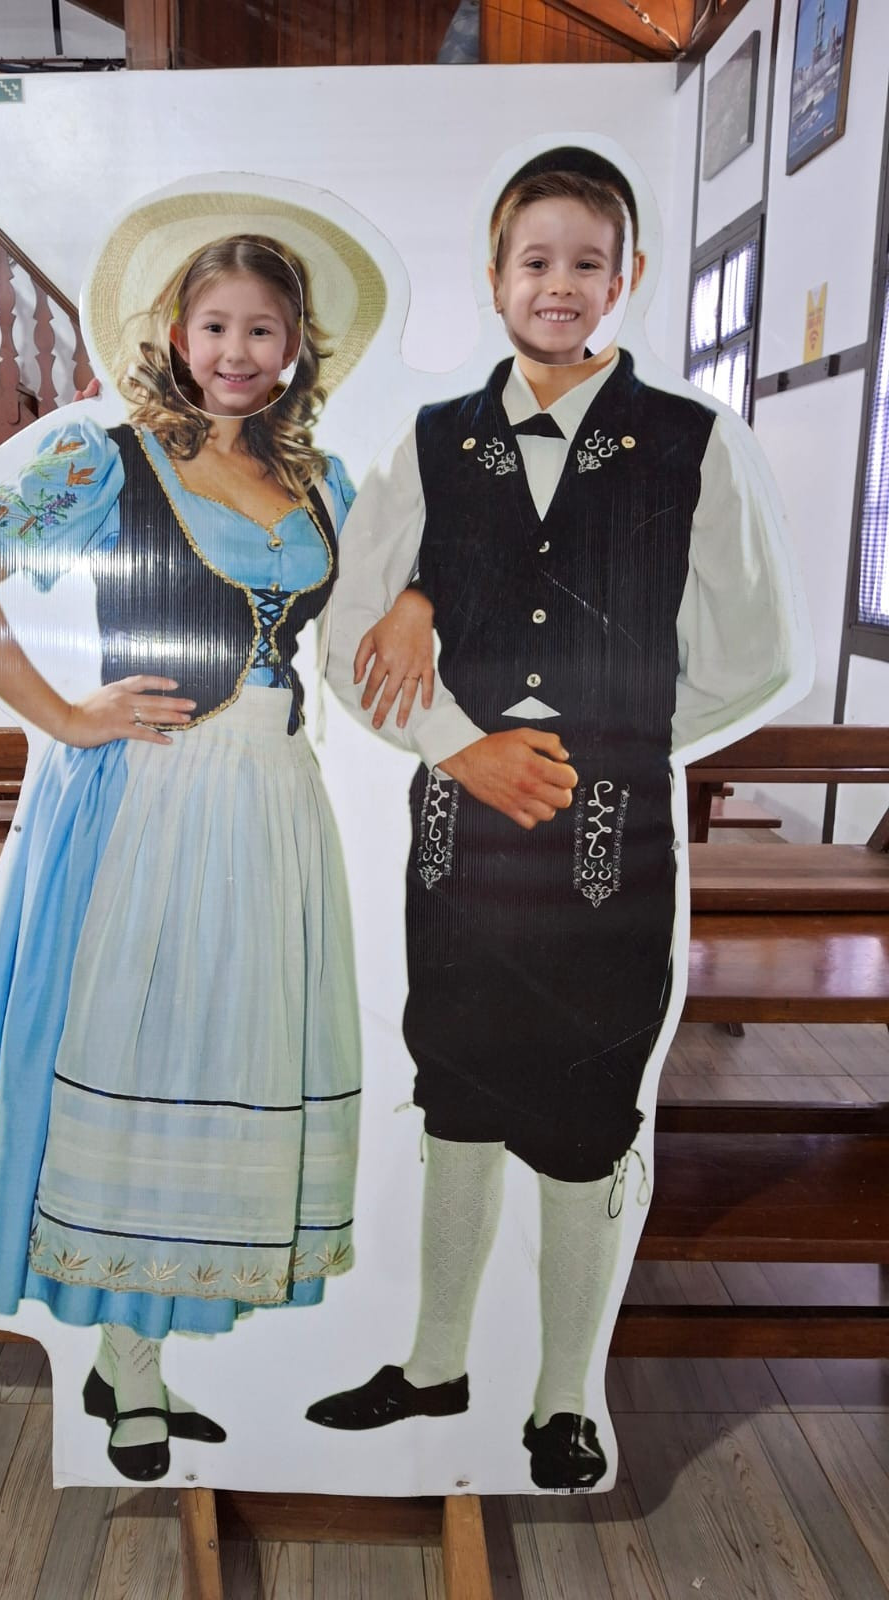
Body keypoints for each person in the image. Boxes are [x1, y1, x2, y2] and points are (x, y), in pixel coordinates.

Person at [308, 147, 805, 1491]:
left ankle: (564, 1397)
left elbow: (754, 650)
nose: (561, 284)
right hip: (459, 838)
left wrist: (613, 749)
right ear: (495, 276)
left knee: (589, 1109)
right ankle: (433, 1363)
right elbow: (349, 635)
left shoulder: (694, 442)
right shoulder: (431, 443)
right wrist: (462, 750)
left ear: (625, 278)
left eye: (590, 261)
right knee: (458, 1093)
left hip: (609, 837)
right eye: (537, 260)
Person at [0, 212, 388, 1486]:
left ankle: (148, 1354)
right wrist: (64, 715)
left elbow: (377, 620)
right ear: (177, 334)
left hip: (274, 805)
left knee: (229, 1054)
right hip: (150, 805)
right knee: (141, 1050)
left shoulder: (327, 483)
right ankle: (130, 1365)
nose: (236, 351)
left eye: (263, 330)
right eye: (215, 326)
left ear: (296, 346)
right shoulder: (106, 459)